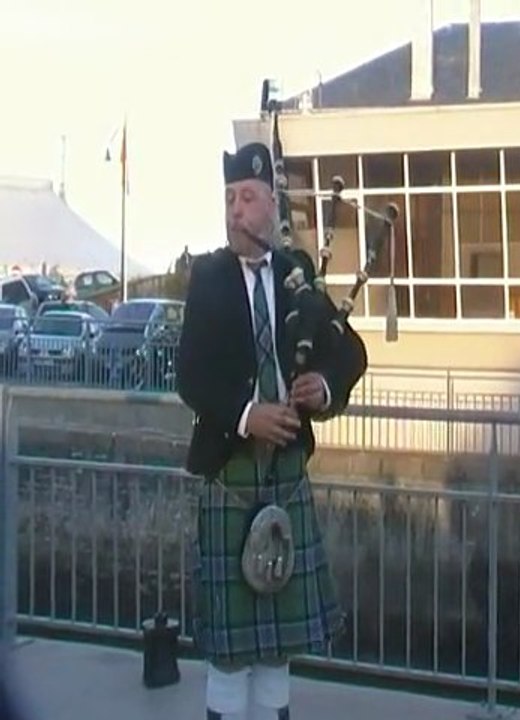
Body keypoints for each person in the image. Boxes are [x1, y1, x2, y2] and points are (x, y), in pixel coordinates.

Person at [176, 142, 367, 720]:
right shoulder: (208, 277)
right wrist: (244, 414)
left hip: (285, 479)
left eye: (248, 197)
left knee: (277, 654)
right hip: (231, 475)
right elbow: (191, 375)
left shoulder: (296, 274)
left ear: (272, 208)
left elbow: (350, 351)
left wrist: (323, 388)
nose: (236, 210)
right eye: (230, 198)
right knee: (231, 659)